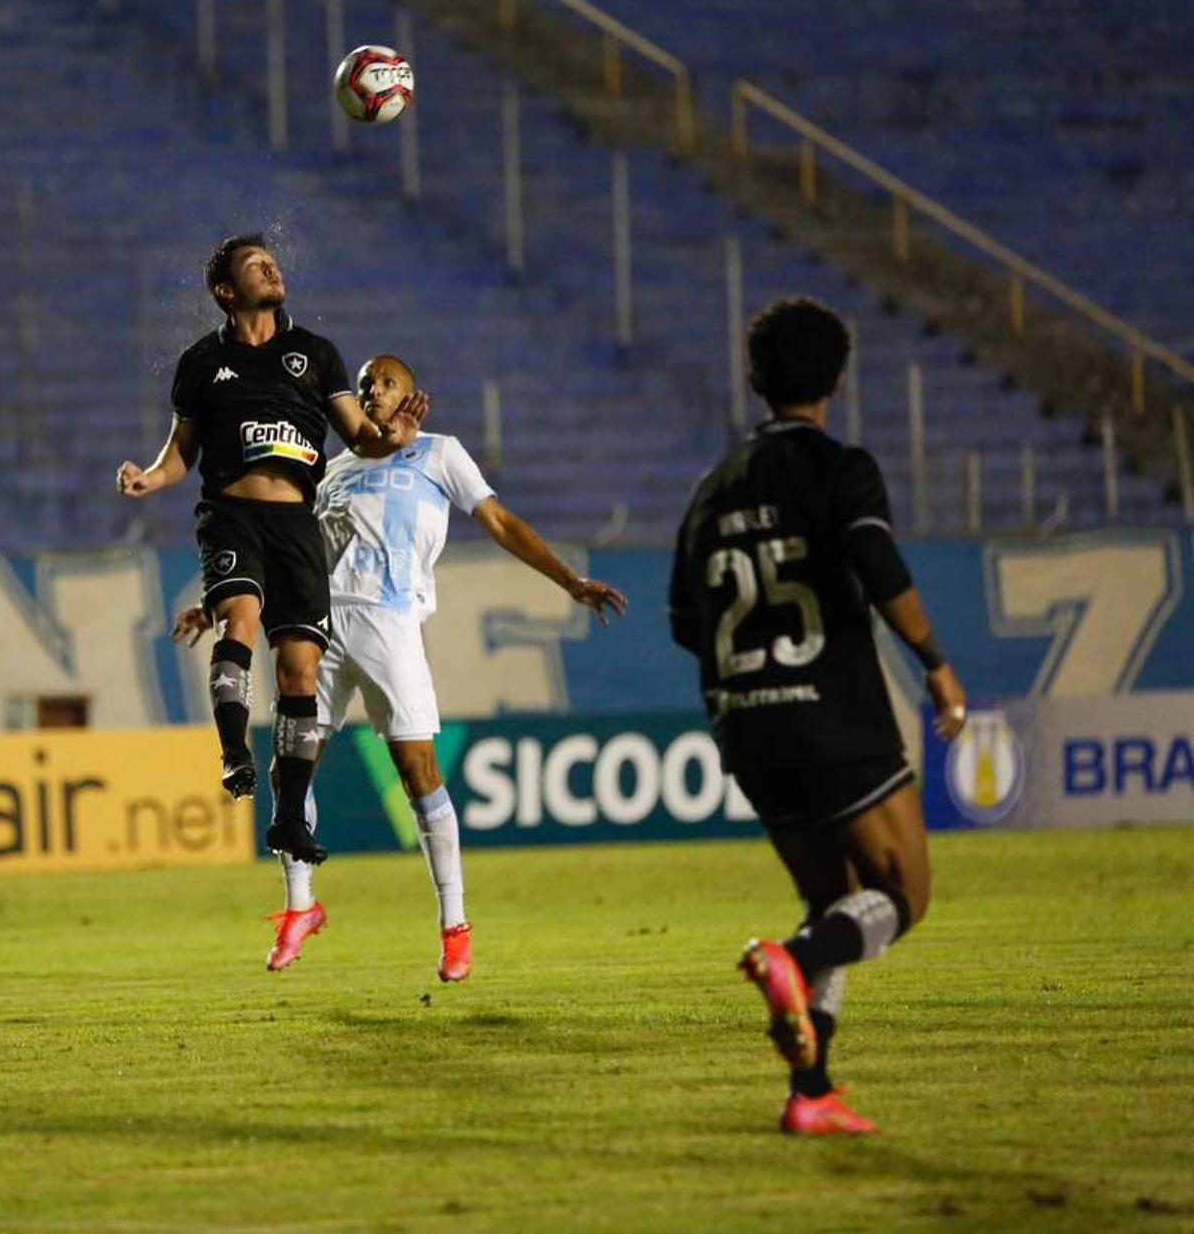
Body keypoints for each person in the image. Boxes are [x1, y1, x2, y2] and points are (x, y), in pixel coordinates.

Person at [175, 354, 628, 977]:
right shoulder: (328, 472)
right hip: (322, 627)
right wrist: (220, 601)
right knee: (290, 769)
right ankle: (300, 907)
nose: (374, 390)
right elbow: (286, 554)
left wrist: (569, 580)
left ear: (413, 395)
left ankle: (454, 925)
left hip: (391, 627)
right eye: (365, 385)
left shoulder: (440, 454)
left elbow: (499, 521)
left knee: (418, 772)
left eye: (387, 382)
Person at [667, 297, 967, 1136]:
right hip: (835, 714)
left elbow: (686, 624)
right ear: (838, 377)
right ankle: (788, 963)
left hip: (745, 725)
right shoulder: (842, 468)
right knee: (901, 892)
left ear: (754, 379)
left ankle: (812, 1091)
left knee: (829, 897)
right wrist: (936, 664)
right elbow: (877, 563)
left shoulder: (711, 487)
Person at [117, 234, 424, 867]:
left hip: (296, 526)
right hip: (231, 513)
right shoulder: (202, 362)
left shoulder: (314, 354)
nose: (272, 267)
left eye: (272, 260)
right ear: (226, 291)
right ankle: (234, 752)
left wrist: (392, 439)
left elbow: (360, 438)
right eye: (256, 265)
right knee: (240, 617)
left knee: (300, 671)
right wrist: (151, 476)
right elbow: (181, 454)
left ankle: (288, 818)